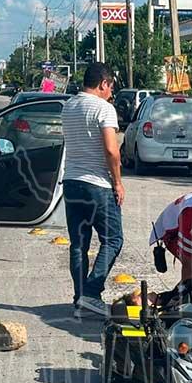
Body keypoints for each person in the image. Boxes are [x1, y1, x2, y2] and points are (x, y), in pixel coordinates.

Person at [60, 62, 124, 319]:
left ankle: (79, 299)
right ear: (103, 83)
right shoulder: (104, 108)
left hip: (71, 182)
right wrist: (117, 182)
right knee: (113, 239)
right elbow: (111, 150)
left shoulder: (68, 107)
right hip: (97, 185)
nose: (111, 92)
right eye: (111, 87)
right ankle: (91, 293)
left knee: (79, 244)